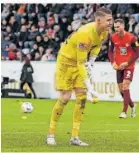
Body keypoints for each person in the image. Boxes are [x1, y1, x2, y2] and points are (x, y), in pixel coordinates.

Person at [46, 8, 113, 146]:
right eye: (108, 20)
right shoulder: (85, 34)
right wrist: (91, 87)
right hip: (66, 61)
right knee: (65, 97)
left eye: (111, 19)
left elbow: (97, 46)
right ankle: (51, 134)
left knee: (82, 97)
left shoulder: (105, 31)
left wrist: (92, 60)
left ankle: (74, 137)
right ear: (98, 21)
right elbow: (80, 63)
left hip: (79, 61)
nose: (110, 23)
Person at [108, 19, 139, 118]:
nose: (116, 29)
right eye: (115, 27)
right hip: (118, 66)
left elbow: (137, 53)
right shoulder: (113, 37)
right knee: (122, 90)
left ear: (123, 26)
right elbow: (109, 52)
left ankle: (124, 112)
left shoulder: (132, 38)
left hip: (129, 66)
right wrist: (113, 62)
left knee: (126, 86)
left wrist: (127, 62)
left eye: (118, 27)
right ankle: (133, 105)